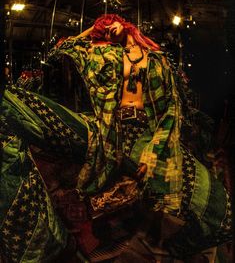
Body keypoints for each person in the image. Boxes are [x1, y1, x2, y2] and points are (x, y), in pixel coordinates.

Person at [0, 14, 232, 261]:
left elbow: (170, 112)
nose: (107, 26)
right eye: (103, 25)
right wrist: (93, 30)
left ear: (127, 24)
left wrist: (154, 151)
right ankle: (46, 244)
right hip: (104, 130)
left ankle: (171, 247)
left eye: (111, 22)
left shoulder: (157, 60)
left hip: (145, 135)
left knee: (223, 216)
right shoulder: (99, 54)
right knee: (11, 104)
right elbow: (65, 46)